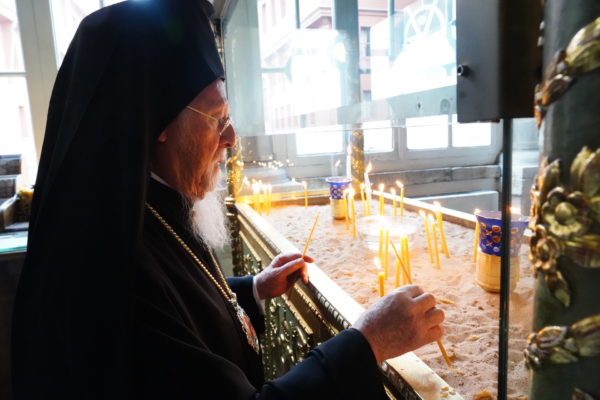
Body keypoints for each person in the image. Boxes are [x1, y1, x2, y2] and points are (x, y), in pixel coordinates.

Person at [11, 1, 444, 399]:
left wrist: (252, 290)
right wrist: (367, 342)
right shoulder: (105, 265)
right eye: (217, 118)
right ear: (155, 124)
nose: (232, 137)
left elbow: (181, 312)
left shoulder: (145, 205)